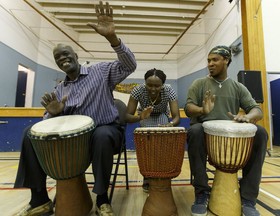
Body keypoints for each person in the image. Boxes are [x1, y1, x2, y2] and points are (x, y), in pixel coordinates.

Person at [13, 1, 137, 216]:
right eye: (57, 57)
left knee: (101, 134)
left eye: (66, 53)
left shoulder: (100, 72)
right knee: (29, 134)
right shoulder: (58, 90)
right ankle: (39, 199)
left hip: (105, 132)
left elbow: (129, 65)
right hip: (73, 142)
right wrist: (55, 113)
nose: (62, 58)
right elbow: (46, 125)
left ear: (77, 56)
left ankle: (102, 199)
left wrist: (112, 39)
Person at [184, 45, 268, 216]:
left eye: (215, 60)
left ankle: (248, 198)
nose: (210, 64)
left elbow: (256, 109)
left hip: (231, 138)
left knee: (260, 133)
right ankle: (201, 193)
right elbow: (188, 107)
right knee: (195, 131)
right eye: (208, 60)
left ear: (226, 60)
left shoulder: (238, 87)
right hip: (205, 136)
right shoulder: (199, 84)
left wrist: (248, 117)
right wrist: (202, 110)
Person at [125, 68, 180, 192]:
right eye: (149, 85)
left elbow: (176, 116)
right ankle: (147, 175)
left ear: (163, 85)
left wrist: (170, 125)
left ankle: (163, 173)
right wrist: (140, 117)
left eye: (157, 86)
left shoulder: (169, 90)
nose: (153, 89)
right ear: (145, 83)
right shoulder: (138, 90)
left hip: (162, 115)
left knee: (162, 147)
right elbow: (127, 116)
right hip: (144, 116)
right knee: (148, 147)